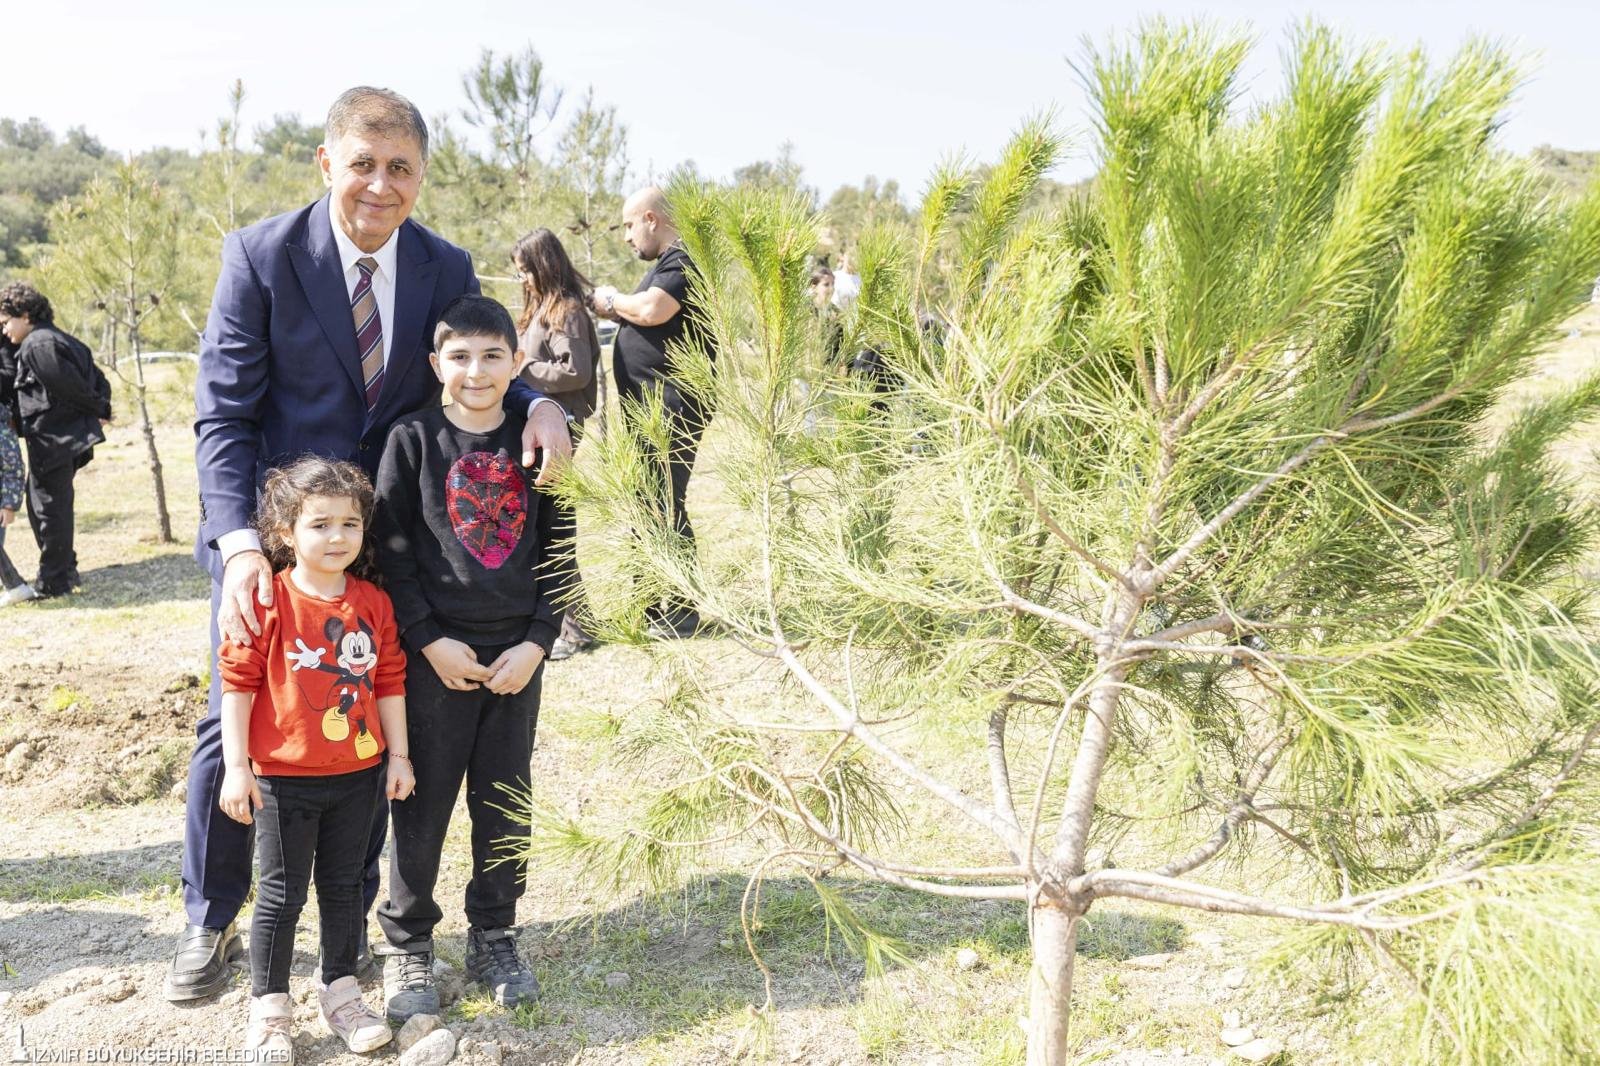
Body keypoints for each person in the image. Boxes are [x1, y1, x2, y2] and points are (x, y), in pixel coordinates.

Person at [172, 85, 574, 1003]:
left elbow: (476, 370)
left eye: (400, 168)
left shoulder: (443, 265)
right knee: (233, 724)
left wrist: (540, 401)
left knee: (368, 729)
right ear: (327, 163)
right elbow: (224, 417)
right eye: (362, 163)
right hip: (280, 543)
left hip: (389, 544)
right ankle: (212, 916)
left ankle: (355, 928)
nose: (379, 185)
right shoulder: (261, 257)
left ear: (422, 176)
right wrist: (240, 549)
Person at [371, 295, 569, 1022]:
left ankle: (495, 932)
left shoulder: (540, 443)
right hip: (436, 658)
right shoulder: (411, 442)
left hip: (516, 657)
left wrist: (538, 642)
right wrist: (425, 639)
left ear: (518, 363)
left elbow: (561, 552)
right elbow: (392, 554)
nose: (476, 371)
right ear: (435, 364)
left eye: (493, 356)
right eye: (460, 356)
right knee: (421, 805)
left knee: (503, 802)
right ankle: (409, 942)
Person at [216, 456, 412, 1061]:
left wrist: (398, 756)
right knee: (280, 894)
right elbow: (237, 685)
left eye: (349, 524)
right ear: (284, 533)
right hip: (280, 780)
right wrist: (238, 767)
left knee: (344, 886)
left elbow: (389, 680)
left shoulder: (372, 602)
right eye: (319, 524)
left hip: (357, 774)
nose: (336, 538)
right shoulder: (269, 601)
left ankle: (341, 992)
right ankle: (270, 1010)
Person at [590, 187, 713, 639]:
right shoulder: (666, 265)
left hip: (671, 406)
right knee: (651, 502)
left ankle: (681, 609)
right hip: (651, 407)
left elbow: (650, 309)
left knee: (664, 502)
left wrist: (609, 299)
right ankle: (653, 602)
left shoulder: (682, 261)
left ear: (650, 218)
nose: (626, 237)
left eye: (628, 225)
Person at [512, 228, 599, 660]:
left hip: (560, 429)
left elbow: (576, 372)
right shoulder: (543, 309)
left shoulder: (567, 313)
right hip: (542, 427)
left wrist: (526, 368)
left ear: (543, 265)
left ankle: (577, 629)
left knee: (554, 531)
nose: (523, 279)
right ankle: (576, 621)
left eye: (527, 270)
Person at [0, 282, 111, 599]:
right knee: (44, 507)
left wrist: (99, 408)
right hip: (56, 439)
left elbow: (71, 387)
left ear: (24, 315)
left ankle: (55, 582)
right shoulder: (60, 339)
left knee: (50, 511)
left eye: (7, 323)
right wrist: (100, 406)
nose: (5, 332)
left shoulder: (38, 344)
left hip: (53, 440)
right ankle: (65, 571)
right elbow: (97, 378)